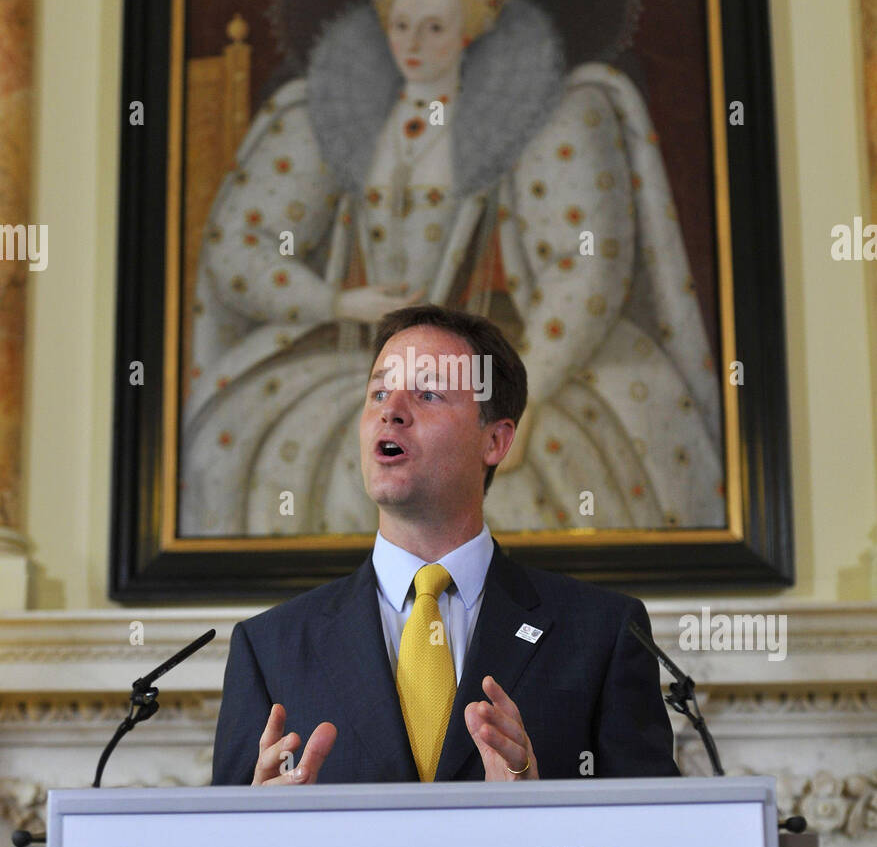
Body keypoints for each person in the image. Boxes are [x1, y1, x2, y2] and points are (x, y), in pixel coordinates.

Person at [182, 0, 724, 540]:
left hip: (511, 371)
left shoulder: (549, 117)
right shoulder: (328, 118)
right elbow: (240, 245)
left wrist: (530, 392)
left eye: (435, 28)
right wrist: (333, 302)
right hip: (359, 370)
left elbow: (586, 269)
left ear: (471, 33)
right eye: (401, 25)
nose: (412, 45)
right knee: (250, 448)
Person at [211, 304, 679, 787]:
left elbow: (654, 842)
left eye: (429, 393)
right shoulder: (269, 648)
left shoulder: (602, 633)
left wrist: (541, 813)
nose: (390, 411)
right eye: (378, 392)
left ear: (495, 441)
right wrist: (257, 826)